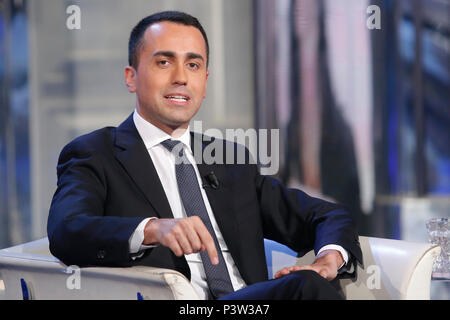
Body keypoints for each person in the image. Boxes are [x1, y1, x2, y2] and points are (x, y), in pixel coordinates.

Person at [47, 11, 362, 300]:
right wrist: (153, 229)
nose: (181, 77)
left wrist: (327, 260)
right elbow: (67, 231)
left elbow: (326, 215)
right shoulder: (96, 154)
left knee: (310, 282)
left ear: (205, 82)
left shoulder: (229, 161)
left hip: (249, 303)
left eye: (193, 64)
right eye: (164, 62)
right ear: (131, 77)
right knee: (303, 289)